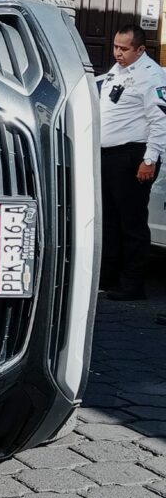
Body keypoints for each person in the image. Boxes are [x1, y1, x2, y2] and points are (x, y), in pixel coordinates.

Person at [99, 24, 166, 301]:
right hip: (110, 156)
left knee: (132, 223)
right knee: (111, 221)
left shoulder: (152, 76)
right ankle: (110, 278)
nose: (117, 53)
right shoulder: (118, 71)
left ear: (141, 49)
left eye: (124, 49)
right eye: (116, 46)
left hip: (133, 156)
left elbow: (160, 121)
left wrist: (149, 160)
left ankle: (133, 284)